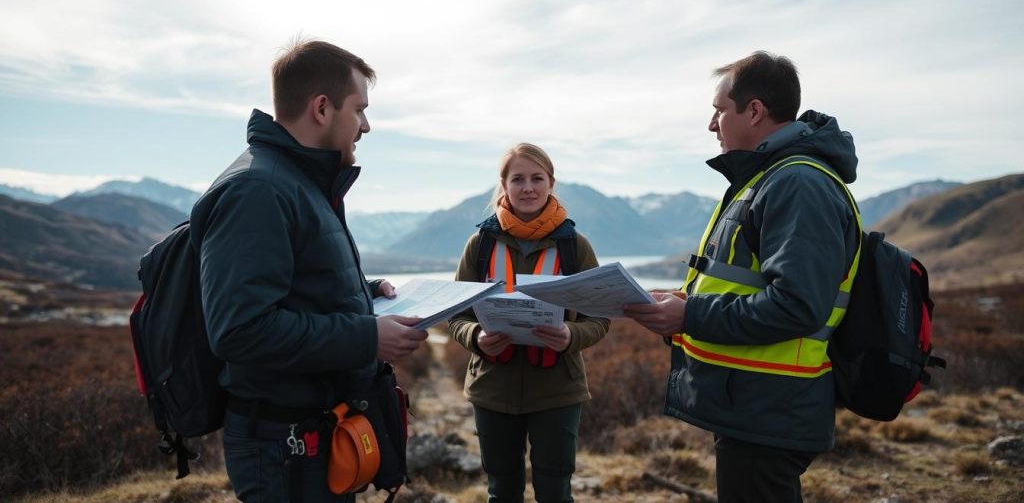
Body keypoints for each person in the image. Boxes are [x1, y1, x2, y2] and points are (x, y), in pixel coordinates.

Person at [190, 39, 428, 502]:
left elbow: (295, 282)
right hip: (284, 449)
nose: (366, 126)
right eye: (359, 110)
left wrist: (365, 291)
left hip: (310, 439)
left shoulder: (296, 182)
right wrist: (367, 336)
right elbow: (241, 329)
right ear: (322, 107)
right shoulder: (258, 190)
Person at [624, 51, 861, 503]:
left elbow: (798, 305)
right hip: (754, 404)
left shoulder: (797, 184)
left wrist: (689, 314)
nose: (712, 125)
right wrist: (682, 302)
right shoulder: (769, 179)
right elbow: (746, 284)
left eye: (719, 110)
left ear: (754, 111)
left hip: (771, 408)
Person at [448, 143, 610, 503]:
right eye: (517, 179)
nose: (528, 188)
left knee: (555, 490)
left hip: (558, 389)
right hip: (492, 386)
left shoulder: (575, 246)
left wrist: (570, 335)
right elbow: (456, 314)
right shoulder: (480, 245)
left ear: (551, 183)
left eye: (537, 178)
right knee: (502, 490)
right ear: (503, 185)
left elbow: (598, 317)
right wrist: (475, 336)